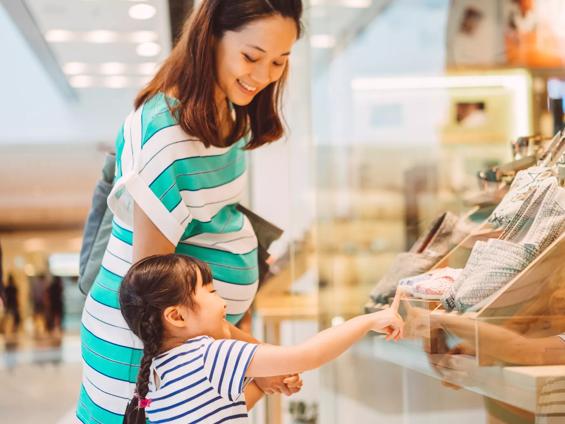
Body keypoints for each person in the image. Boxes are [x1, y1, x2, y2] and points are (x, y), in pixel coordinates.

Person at [77, 1, 306, 421]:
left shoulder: (229, 113)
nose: (262, 76)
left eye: (279, 62)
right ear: (211, 36)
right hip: (138, 352)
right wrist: (254, 356)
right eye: (251, 57)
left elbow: (215, 223)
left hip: (195, 341)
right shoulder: (164, 132)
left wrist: (246, 346)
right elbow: (153, 289)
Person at [118, 254, 404, 424]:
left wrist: (266, 383)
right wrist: (367, 321)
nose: (224, 304)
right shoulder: (209, 355)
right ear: (177, 317)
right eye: (211, 292)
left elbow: (218, 410)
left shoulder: (158, 371)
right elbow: (308, 355)